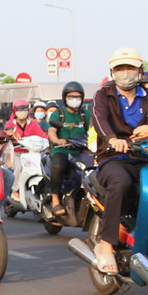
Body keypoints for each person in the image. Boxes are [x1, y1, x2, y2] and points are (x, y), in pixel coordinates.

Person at [89, 49, 148, 272]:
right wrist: (113, 140)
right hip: (113, 158)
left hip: (146, 158)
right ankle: (106, 245)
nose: (125, 73)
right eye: (120, 68)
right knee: (120, 181)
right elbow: (100, 121)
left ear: (140, 71)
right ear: (112, 72)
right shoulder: (103, 95)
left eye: (130, 68)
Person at [46, 82, 90, 217]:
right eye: (71, 96)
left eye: (78, 97)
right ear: (65, 98)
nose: (75, 99)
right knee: (59, 166)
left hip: (81, 151)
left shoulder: (85, 114)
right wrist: (57, 140)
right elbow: (52, 130)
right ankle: (55, 199)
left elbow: (94, 131)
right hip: (62, 150)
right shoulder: (58, 114)